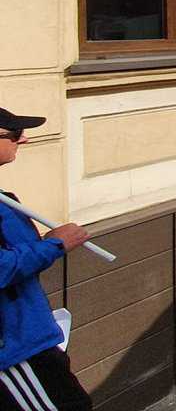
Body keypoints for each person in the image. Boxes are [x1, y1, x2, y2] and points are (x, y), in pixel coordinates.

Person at [0, 108, 93, 411]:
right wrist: (53, 245)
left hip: (31, 337)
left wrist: (43, 244)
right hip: (15, 350)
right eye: (14, 134)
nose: (23, 139)